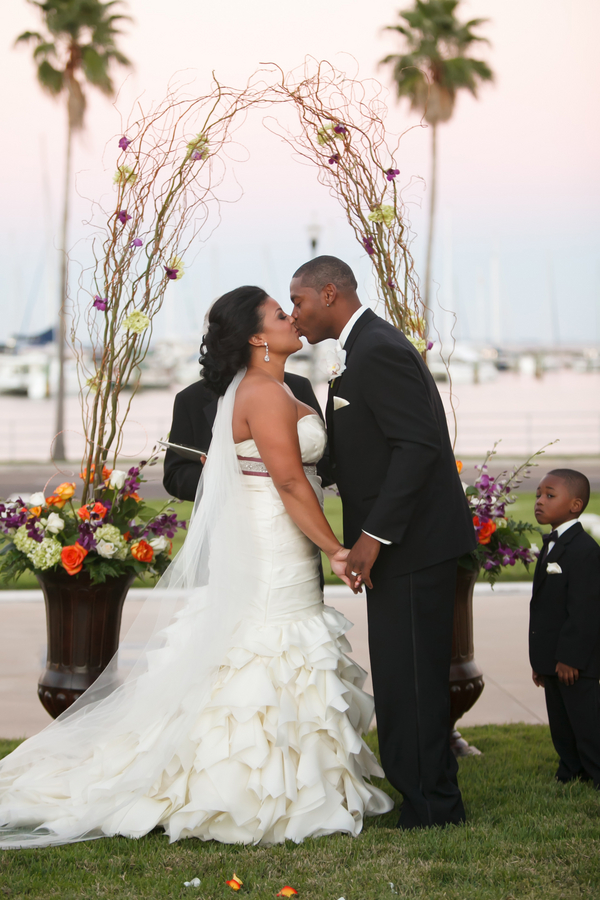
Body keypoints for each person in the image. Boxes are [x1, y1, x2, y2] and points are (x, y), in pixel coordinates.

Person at [0, 285, 392, 849]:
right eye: (280, 314)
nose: (293, 318)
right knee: (266, 644)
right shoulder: (261, 392)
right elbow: (285, 480)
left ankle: (299, 778)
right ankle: (243, 783)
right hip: (270, 533)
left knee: (277, 641)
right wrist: (335, 548)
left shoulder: (283, 386)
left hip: (285, 532)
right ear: (258, 336)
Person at [290, 256, 476, 829]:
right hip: (404, 546)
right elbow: (373, 446)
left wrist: (371, 537)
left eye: (298, 301)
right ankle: (426, 793)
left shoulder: (378, 349)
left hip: (413, 545)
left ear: (329, 293)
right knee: (402, 675)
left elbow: (418, 448)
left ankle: (433, 808)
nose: (295, 314)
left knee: (410, 680)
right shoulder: (362, 347)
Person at [530, 468, 600, 787]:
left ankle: (595, 772)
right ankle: (570, 770)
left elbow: (585, 610)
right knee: (560, 721)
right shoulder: (551, 545)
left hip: (574, 661)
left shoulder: (584, 551)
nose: (539, 501)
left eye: (549, 495)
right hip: (553, 657)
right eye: (538, 495)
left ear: (575, 505)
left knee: (585, 721)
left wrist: (570, 657)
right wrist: (542, 660)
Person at [163, 369, 328, 502]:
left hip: (293, 518)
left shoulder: (298, 387)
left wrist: (286, 479)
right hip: (224, 520)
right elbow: (175, 476)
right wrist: (220, 475)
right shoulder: (191, 398)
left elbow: (327, 460)